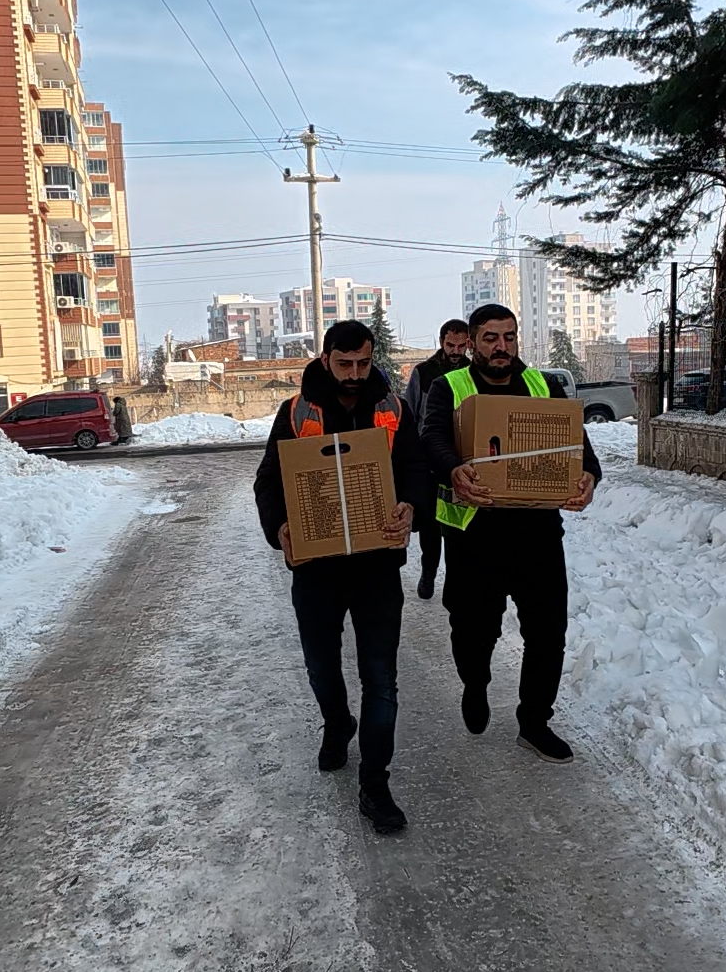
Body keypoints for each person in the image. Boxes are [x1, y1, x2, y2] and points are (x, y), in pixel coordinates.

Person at [253, 320, 425, 834]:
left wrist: (411, 506)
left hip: (377, 568)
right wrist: (280, 527)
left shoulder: (393, 409)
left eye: (363, 363)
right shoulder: (296, 412)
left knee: (381, 679)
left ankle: (375, 784)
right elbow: (268, 481)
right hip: (317, 571)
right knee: (321, 668)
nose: (354, 374)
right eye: (344, 363)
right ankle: (336, 722)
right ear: (326, 357)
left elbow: (415, 469)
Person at [420, 303, 599, 764]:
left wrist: (588, 477)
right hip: (474, 536)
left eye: (509, 337)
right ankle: (475, 683)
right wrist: (453, 469)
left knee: (548, 634)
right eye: (491, 338)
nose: (502, 346)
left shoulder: (543, 385)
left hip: (537, 534)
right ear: (472, 343)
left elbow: (580, 447)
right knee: (473, 633)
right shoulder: (449, 387)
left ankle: (534, 722)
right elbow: (431, 438)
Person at [400, 319, 473, 600]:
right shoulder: (424, 373)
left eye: (461, 345)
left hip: (463, 458)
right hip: (429, 458)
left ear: (468, 344)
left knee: (457, 523)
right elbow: (410, 413)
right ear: (442, 342)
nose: (455, 351)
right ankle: (428, 572)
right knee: (430, 524)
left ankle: (456, 579)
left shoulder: (473, 373)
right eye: (450, 345)